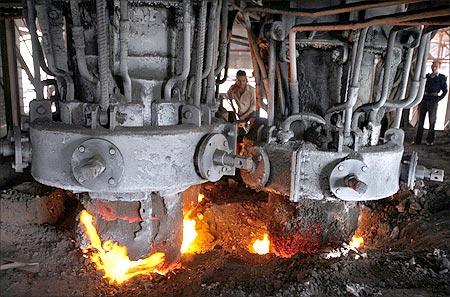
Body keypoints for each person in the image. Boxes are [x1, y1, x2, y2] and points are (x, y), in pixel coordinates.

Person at [414, 61, 448, 145]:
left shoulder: (441, 78)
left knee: (432, 121)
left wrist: (438, 99)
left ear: (439, 67)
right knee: (420, 120)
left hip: (433, 100)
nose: (434, 67)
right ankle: (417, 140)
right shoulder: (427, 77)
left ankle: (430, 140)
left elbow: (445, 90)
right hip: (424, 99)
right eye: (433, 66)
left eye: (436, 66)